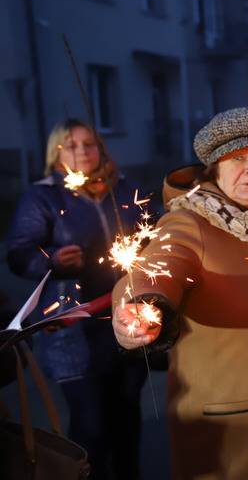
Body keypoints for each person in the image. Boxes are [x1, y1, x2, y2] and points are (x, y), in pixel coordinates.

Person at [111, 107, 248, 480]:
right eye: (237, 159)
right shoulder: (188, 222)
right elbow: (158, 266)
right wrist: (143, 304)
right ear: (214, 170)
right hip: (228, 429)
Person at [6, 118, 147, 480]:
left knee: (127, 423)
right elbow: (19, 254)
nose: (82, 151)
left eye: (89, 143)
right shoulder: (43, 196)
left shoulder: (123, 188)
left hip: (128, 319)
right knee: (91, 428)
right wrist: (51, 261)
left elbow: (154, 231)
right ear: (56, 153)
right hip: (73, 331)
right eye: (71, 145)